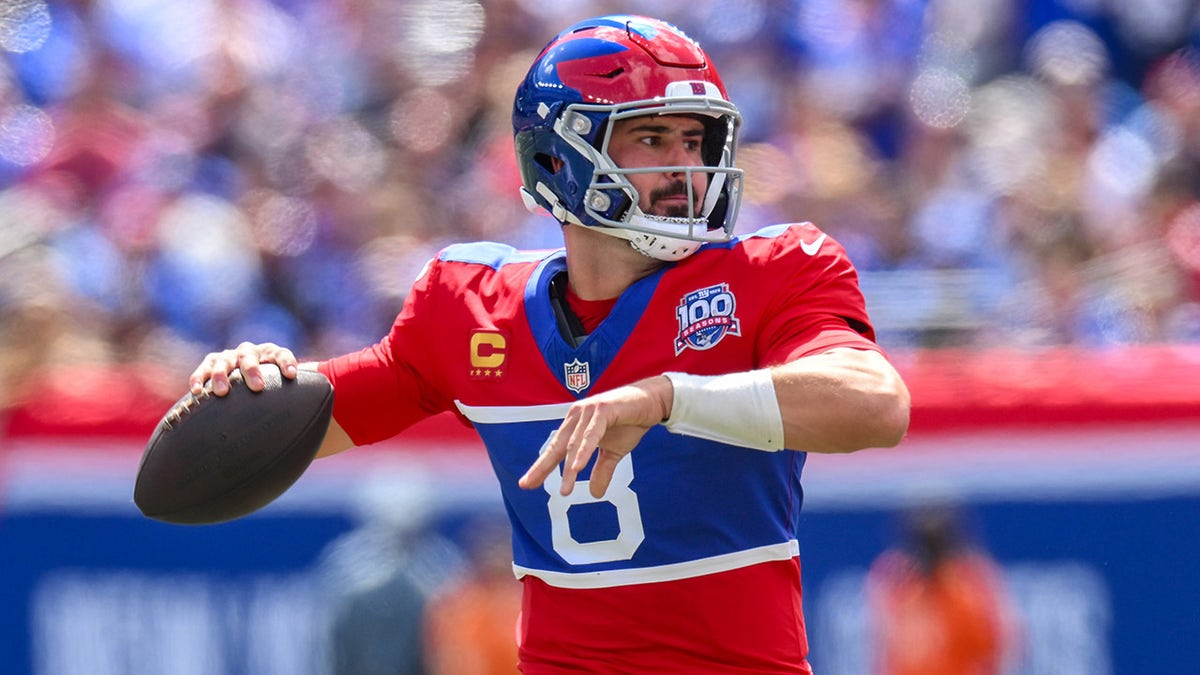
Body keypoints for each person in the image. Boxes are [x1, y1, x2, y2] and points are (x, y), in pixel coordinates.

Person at [189, 15, 910, 674]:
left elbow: (876, 403)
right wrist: (256, 379)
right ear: (560, 155)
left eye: (695, 139)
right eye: (652, 138)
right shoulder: (470, 306)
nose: (684, 167)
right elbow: (324, 412)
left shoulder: (769, 274)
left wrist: (668, 398)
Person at [866, 504, 1014, 675]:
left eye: (935, 543)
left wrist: (950, 585)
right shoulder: (897, 580)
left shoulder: (970, 579)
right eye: (924, 542)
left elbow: (991, 646)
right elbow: (889, 648)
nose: (929, 552)